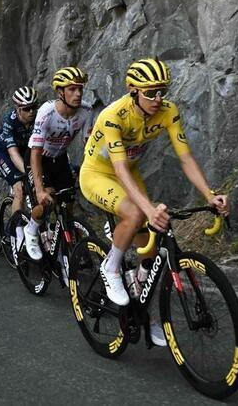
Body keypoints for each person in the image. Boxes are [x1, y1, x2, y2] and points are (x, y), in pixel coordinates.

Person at [80, 57, 228, 345]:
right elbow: (119, 169)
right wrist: (148, 209)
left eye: (162, 91)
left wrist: (210, 195)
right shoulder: (113, 115)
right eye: (151, 93)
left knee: (151, 248)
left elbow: (185, 157)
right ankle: (110, 267)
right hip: (98, 174)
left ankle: (146, 313)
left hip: (130, 173)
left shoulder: (168, 111)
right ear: (133, 91)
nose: (158, 99)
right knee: (137, 214)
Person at [23, 67, 94, 261]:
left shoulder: (86, 111)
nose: (78, 93)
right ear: (60, 92)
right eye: (72, 89)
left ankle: (63, 239)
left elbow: (90, 146)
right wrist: (39, 189)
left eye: (80, 89)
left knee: (69, 204)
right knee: (46, 200)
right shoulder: (46, 113)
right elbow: (36, 152)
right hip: (39, 159)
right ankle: (31, 229)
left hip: (61, 158)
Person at [0, 86, 38, 218]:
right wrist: (29, 172)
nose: (32, 112)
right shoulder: (9, 121)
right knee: (19, 190)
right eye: (27, 109)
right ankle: (15, 233)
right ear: (18, 109)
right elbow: (13, 153)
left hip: (24, 149)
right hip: (3, 152)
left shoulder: (39, 118)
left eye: (34, 107)